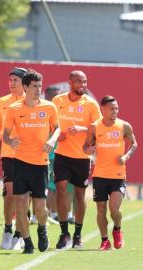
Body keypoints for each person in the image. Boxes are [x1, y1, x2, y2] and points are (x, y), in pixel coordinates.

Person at [3, 69, 60, 254]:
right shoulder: (14, 109)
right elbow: (5, 136)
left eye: (40, 86)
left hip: (41, 165)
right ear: (25, 87)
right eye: (34, 86)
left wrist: (52, 140)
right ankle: (27, 242)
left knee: (39, 207)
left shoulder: (49, 107)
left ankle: (42, 229)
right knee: (20, 204)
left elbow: (57, 128)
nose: (38, 89)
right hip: (20, 162)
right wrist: (11, 141)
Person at [52, 70, 101, 249]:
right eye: (79, 82)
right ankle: (64, 233)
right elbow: (51, 124)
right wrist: (56, 135)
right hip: (62, 155)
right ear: (70, 82)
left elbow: (99, 129)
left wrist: (82, 129)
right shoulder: (58, 101)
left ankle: (77, 235)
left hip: (82, 157)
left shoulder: (91, 104)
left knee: (80, 195)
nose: (82, 85)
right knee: (61, 189)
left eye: (85, 82)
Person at [83, 95, 137, 251]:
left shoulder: (124, 126)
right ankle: (104, 240)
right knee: (101, 209)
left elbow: (134, 144)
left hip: (118, 175)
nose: (115, 111)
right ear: (103, 109)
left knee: (114, 209)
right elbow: (85, 147)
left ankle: (117, 229)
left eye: (116, 108)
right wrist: (89, 150)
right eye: (112, 109)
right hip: (99, 175)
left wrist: (126, 156)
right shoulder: (94, 127)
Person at [0, 67, 27, 250]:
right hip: (8, 154)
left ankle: (20, 233)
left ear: (24, 83)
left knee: (23, 196)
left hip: (28, 155)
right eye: (10, 80)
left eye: (15, 80)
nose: (11, 83)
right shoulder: (2, 101)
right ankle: (8, 229)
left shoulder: (32, 102)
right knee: (10, 195)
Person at [43, 86, 75, 224]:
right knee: (49, 187)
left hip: (62, 154)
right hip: (47, 155)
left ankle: (59, 214)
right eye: (54, 96)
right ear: (48, 96)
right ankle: (47, 213)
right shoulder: (43, 110)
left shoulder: (62, 111)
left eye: (58, 96)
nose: (57, 99)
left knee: (63, 186)